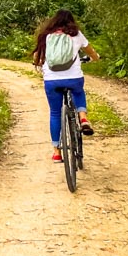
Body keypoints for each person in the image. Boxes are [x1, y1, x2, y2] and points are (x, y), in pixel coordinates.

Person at [32, 9, 100, 162]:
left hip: (51, 80)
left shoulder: (45, 36)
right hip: (73, 78)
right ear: (71, 21)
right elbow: (90, 50)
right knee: (78, 92)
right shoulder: (76, 34)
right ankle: (83, 118)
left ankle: (56, 152)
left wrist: (39, 63)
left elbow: (38, 56)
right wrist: (95, 57)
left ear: (54, 21)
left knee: (55, 113)